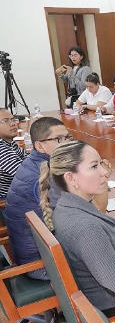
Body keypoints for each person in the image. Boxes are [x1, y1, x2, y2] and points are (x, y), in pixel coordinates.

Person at [39, 140, 115, 323]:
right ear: (71, 178)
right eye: (94, 166)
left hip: (112, 300)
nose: (104, 172)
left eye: (100, 164)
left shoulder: (67, 206)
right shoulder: (86, 227)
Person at [4, 118, 76, 279]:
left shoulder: (36, 162)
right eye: (58, 139)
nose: (67, 143)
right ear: (40, 146)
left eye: (68, 137)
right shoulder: (44, 176)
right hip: (41, 264)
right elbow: (70, 221)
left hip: (32, 253)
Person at [0, 109, 27, 200]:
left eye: (13, 119)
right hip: (7, 200)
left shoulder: (9, 143)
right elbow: (27, 175)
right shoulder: (1, 150)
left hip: (18, 192)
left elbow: (28, 159)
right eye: (5, 121)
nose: (12, 124)